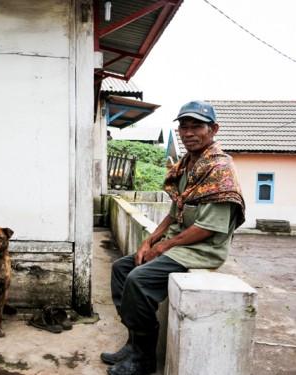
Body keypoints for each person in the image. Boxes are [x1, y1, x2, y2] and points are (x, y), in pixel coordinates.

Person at [101, 100, 245, 375]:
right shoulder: (188, 165)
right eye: (184, 127)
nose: (188, 132)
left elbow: (208, 229)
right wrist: (149, 241)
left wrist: (164, 246)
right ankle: (134, 342)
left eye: (197, 126)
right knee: (122, 268)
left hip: (201, 249)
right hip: (180, 243)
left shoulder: (220, 168)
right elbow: (174, 212)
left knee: (138, 280)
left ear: (213, 129)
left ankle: (144, 359)